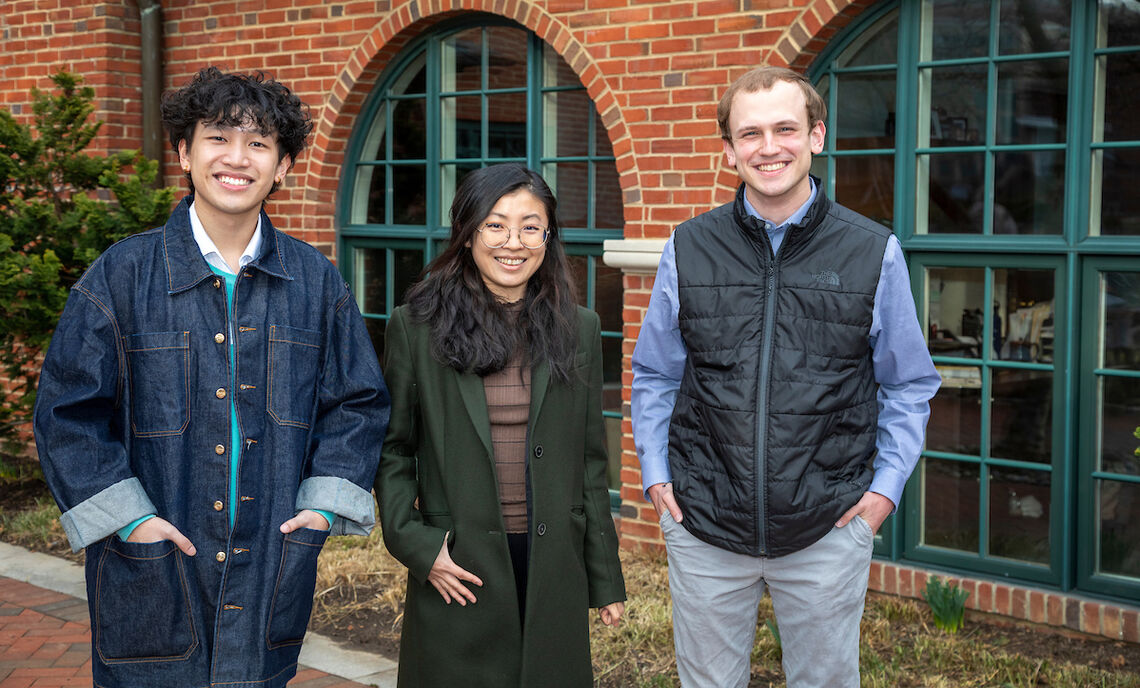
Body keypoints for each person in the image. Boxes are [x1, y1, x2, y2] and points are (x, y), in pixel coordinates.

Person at [33, 67, 390, 688]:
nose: (237, 159)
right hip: (150, 570)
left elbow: (356, 404)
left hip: (270, 567)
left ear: (282, 167)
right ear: (184, 153)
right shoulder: (122, 276)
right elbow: (67, 414)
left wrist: (324, 508)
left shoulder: (315, 283)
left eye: (259, 144)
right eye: (219, 138)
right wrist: (131, 520)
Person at [631, 66, 941, 687]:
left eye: (784, 129)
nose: (768, 147)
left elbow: (908, 384)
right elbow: (656, 374)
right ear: (729, 152)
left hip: (828, 526)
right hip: (705, 524)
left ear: (816, 136)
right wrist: (659, 477)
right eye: (750, 134)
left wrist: (882, 495)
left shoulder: (873, 251)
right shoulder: (686, 246)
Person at [376, 163, 626, 687]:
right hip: (458, 560)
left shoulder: (579, 330)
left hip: (551, 561)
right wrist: (419, 546)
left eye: (530, 226)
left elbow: (589, 461)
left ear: (548, 238)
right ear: (468, 234)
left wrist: (604, 578)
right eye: (495, 224)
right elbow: (393, 449)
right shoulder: (415, 326)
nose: (514, 242)